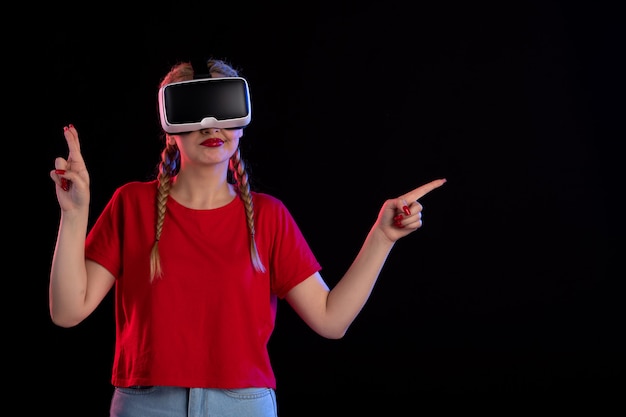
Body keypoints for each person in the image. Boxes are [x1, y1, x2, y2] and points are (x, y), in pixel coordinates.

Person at [49, 57, 447, 417]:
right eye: (194, 112)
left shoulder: (269, 216)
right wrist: (74, 212)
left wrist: (382, 236)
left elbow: (331, 320)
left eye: (224, 111)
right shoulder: (130, 204)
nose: (212, 125)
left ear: (241, 123)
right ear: (170, 129)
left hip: (243, 406)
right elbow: (68, 312)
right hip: (146, 405)